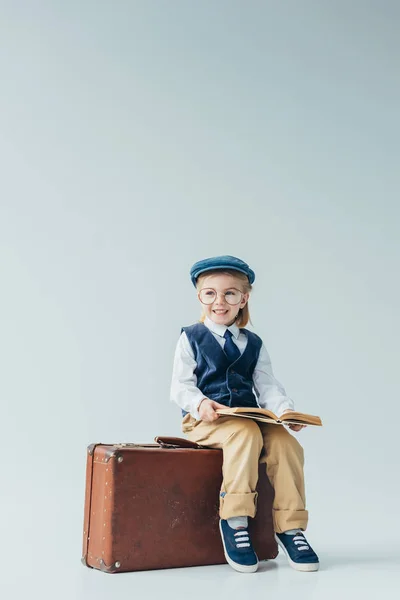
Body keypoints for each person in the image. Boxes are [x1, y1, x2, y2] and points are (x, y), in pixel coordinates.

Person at [170, 255, 319, 573]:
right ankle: (235, 520)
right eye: (210, 293)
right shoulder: (191, 338)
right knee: (245, 433)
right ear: (200, 297)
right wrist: (200, 405)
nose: (219, 302)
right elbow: (180, 386)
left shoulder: (253, 343)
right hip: (204, 421)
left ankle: (290, 527)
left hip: (246, 418)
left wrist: (284, 411)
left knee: (285, 443)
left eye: (230, 294)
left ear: (244, 298)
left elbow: (267, 386)